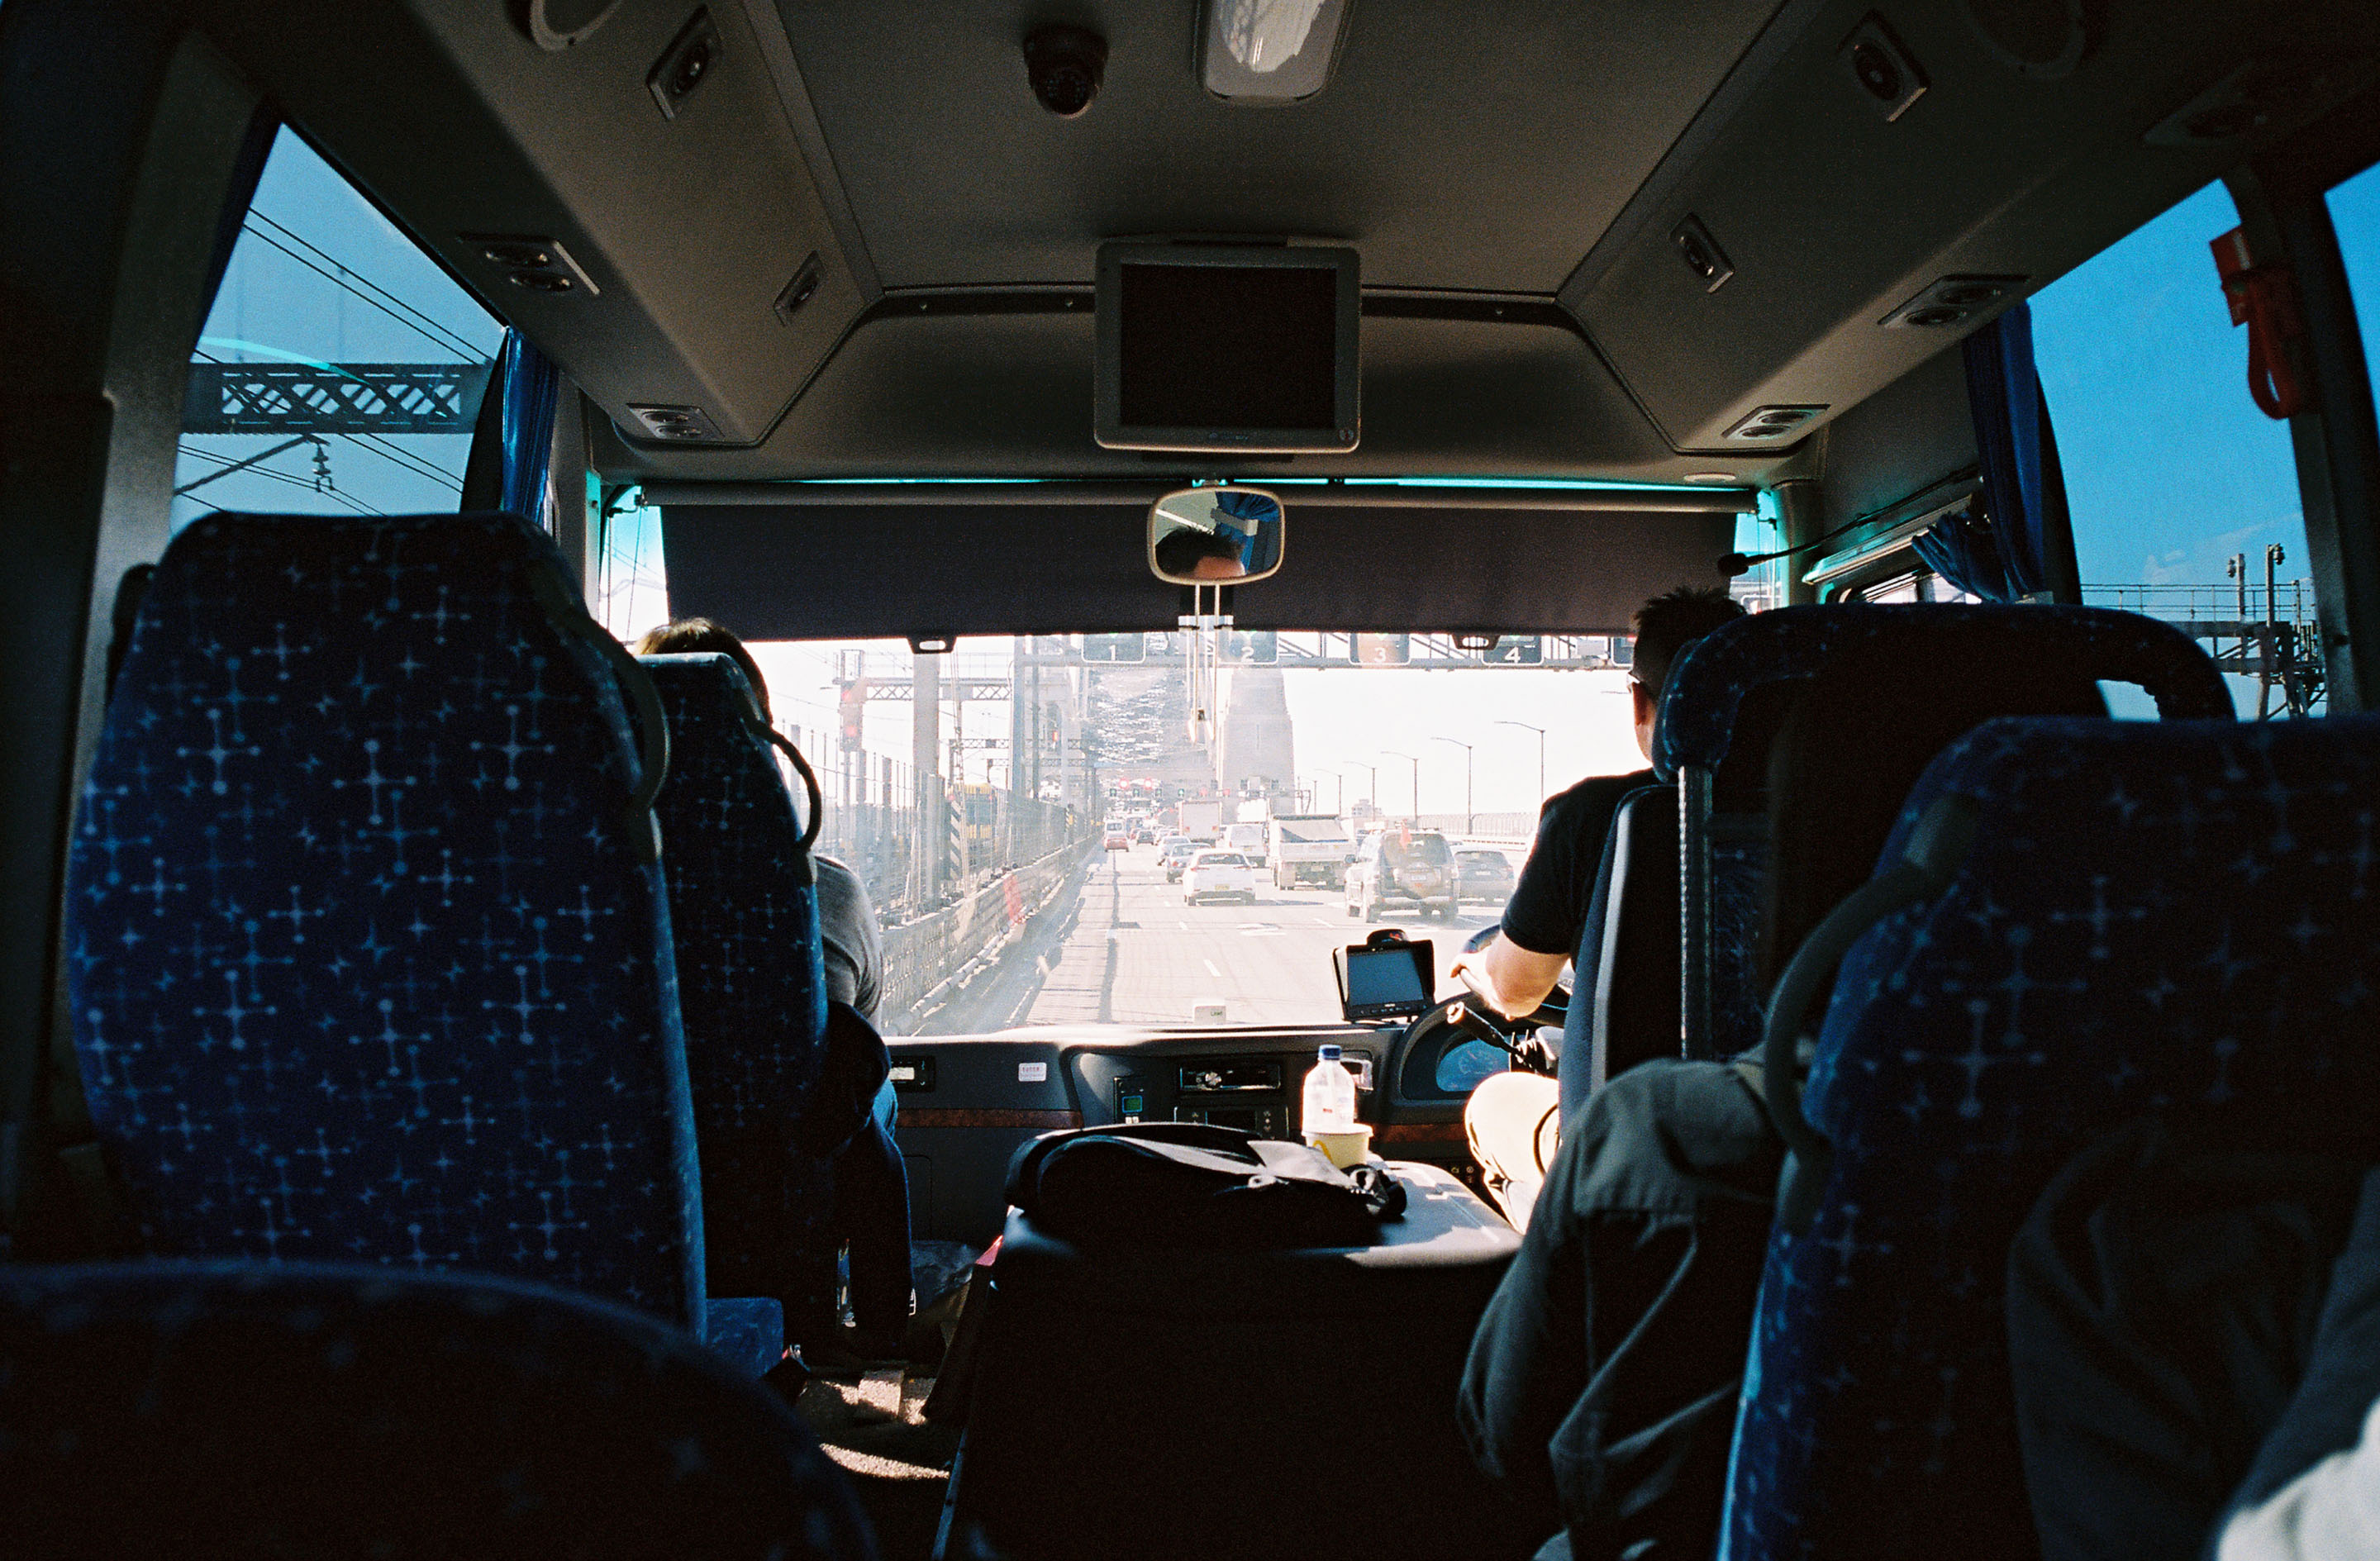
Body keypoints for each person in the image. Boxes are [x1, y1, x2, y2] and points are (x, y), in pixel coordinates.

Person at [632, 618, 912, 1357]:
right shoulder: (825, 893)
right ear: (761, 751)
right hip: (784, 1166)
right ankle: (882, 1315)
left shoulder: (581, 898)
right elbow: (853, 1040)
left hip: (633, 1167)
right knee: (870, 1095)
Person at [1449, 585, 1745, 1230]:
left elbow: (1517, 991)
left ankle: (1566, 1257)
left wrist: (1475, 967)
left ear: (1641, 702)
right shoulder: (1851, 810)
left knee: (1494, 1100)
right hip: (1790, 1142)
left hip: (1630, 1152)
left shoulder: (1592, 817)